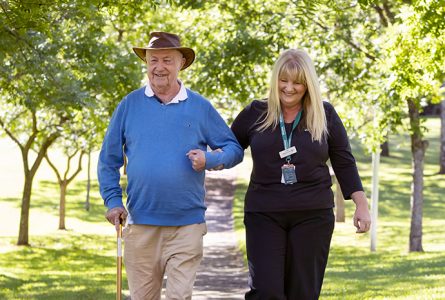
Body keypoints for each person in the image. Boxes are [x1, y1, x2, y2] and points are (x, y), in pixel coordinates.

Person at [97, 31, 243, 300]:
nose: (159, 67)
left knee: (179, 296)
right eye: (153, 60)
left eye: (166, 60)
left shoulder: (199, 107)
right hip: (141, 225)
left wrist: (209, 160)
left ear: (180, 64)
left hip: (186, 226)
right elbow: (108, 160)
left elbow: (234, 149)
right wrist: (113, 201)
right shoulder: (129, 105)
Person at [231, 49, 371, 299]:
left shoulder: (324, 114)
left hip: (313, 215)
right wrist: (208, 158)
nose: (289, 88)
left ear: (308, 84)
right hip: (264, 214)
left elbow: (344, 162)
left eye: (297, 82)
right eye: (283, 80)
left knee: (303, 293)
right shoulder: (255, 113)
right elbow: (229, 146)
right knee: (267, 292)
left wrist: (361, 204)